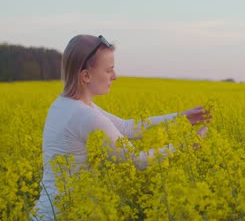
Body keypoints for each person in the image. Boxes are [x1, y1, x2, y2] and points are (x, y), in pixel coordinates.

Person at [33, 34, 211, 220]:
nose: (115, 76)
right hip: (62, 215)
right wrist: (187, 146)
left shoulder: (66, 104)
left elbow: (126, 127)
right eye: (109, 70)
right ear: (86, 75)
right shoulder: (85, 116)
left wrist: (181, 118)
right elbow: (136, 160)